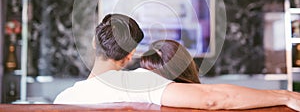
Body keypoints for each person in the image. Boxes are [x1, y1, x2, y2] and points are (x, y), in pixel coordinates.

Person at [54, 13, 300, 111]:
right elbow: (214, 98)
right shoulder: (135, 81)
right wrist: (285, 96)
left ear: (94, 43)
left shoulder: (62, 100)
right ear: (131, 55)